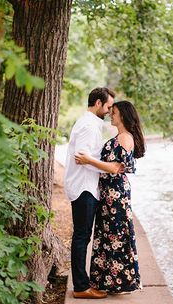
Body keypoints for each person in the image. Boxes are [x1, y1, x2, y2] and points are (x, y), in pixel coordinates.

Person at [74, 100, 146, 294]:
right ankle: (108, 282)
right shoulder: (118, 136)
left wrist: (88, 160)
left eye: (113, 112)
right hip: (107, 193)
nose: (110, 115)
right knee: (107, 236)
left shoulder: (125, 138)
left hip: (116, 193)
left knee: (117, 235)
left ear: (122, 115)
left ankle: (121, 283)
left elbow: (116, 167)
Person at [64, 87, 123, 299]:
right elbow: (83, 158)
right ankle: (80, 287)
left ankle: (83, 283)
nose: (109, 111)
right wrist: (109, 167)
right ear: (98, 103)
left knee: (83, 236)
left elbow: (87, 158)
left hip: (87, 186)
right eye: (107, 106)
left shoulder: (91, 124)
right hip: (84, 188)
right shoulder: (89, 126)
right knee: (81, 236)